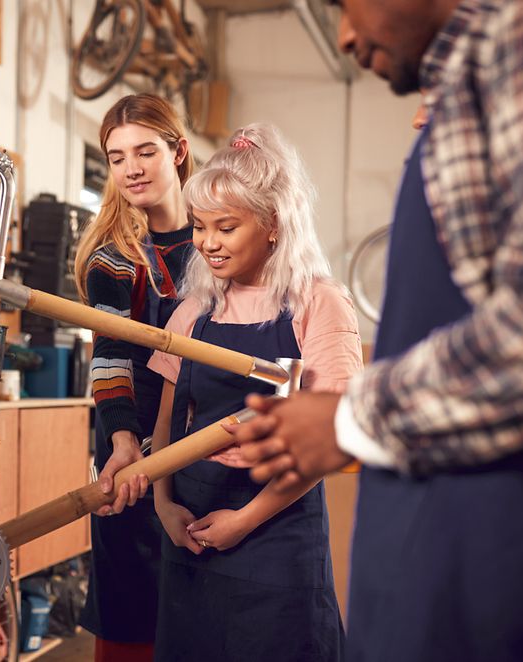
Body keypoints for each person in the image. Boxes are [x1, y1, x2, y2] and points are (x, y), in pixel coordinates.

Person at [233, 1, 523, 660]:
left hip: (494, 577)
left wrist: (347, 420)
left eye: (343, 5)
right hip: (424, 566)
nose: (346, 36)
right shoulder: (464, 85)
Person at [137, 124, 361, 661]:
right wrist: (165, 506)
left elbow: (330, 436)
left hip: (275, 531)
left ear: (274, 226)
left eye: (226, 227)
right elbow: (168, 424)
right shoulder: (194, 309)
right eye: (199, 227)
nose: (207, 243)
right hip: (190, 527)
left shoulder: (316, 304)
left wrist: (246, 520)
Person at [72, 93, 195, 662]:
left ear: (179, 152)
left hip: (204, 434)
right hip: (134, 434)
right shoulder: (114, 256)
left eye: (146, 151)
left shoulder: (218, 236)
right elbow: (110, 352)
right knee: (132, 605)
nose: (132, 169)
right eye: (117, 157)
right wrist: (123, 442)